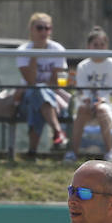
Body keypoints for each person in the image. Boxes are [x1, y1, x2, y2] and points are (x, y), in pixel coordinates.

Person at [15, 12, 69, 156]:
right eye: (40, 28)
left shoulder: (57, 49)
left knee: (38, 101)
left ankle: (32, 151)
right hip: (25, 99)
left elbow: (59, 81)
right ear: (31, 29)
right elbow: (31, 81)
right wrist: (35, 54)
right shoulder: (23, 51)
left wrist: (44, 85)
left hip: (51, 97)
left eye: (48, 28)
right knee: (37, 92)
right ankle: (58, 132)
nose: (44, 32)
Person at [65, 26, 112, 164]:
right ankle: (73, 152)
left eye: (102, 45)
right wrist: (88, 100)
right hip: (86, 103)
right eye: (95, 45)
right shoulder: (83, 66)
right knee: (82, 110)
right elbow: (80, 90)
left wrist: (103, 100)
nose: (99, 48)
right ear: (88, 46)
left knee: (102, 111)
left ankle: (110, 152)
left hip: (106, 104)